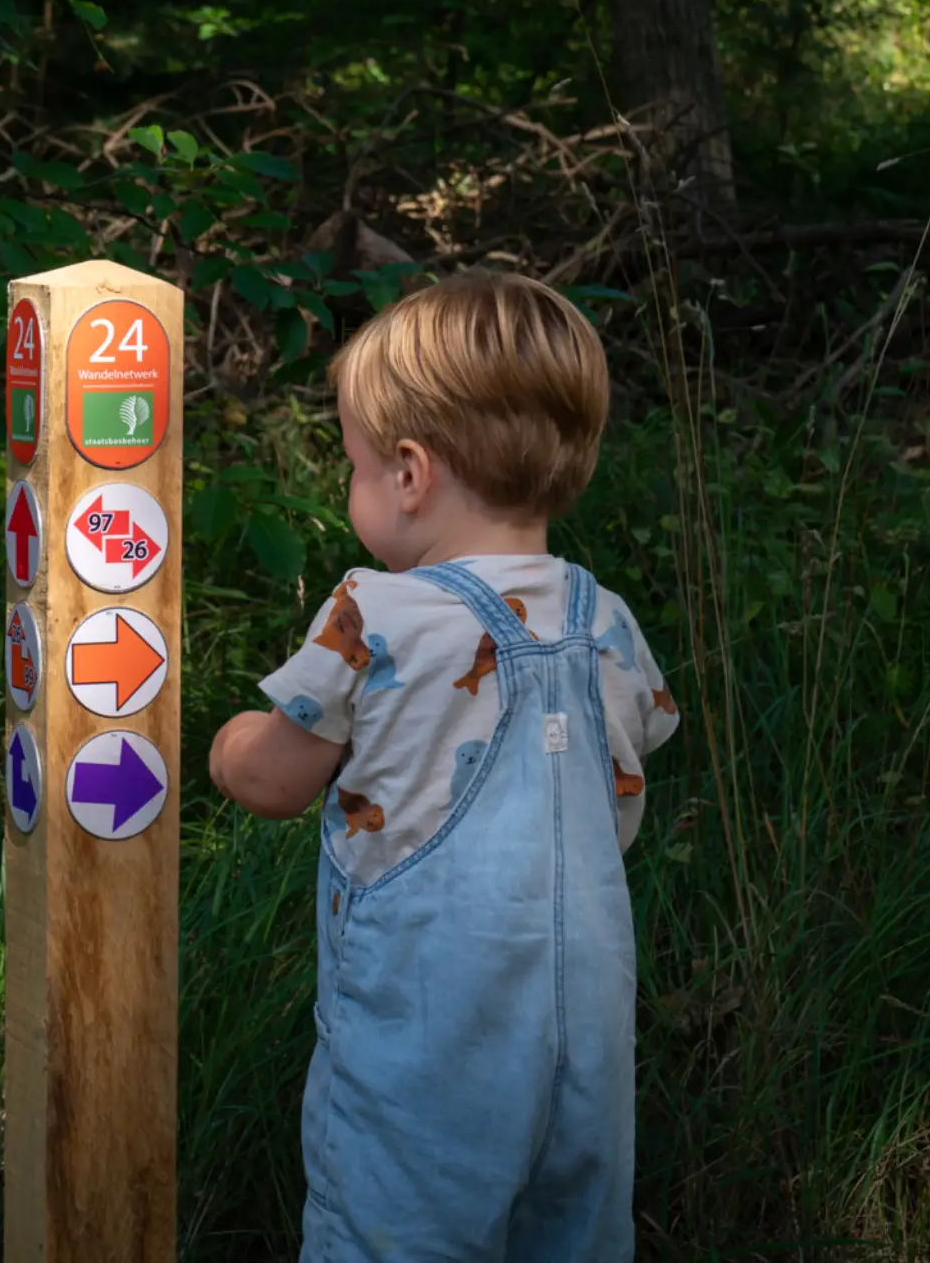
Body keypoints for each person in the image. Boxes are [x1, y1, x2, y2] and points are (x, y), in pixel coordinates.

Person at [207, 271, 680, 1262]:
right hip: (587, 1051)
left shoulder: (375, 614)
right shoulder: (604, 621)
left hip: (426, 1048)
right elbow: (620, 780)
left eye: (354, 465)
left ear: (410, 474)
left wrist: (229, 740)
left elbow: (274, 780)